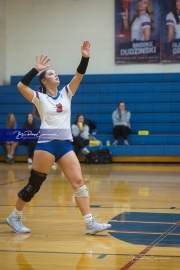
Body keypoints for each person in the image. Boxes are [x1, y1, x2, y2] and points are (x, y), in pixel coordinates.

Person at [6, 41, 111, 235]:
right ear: (44, 81)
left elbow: (79, 75)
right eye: (51, 73)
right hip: (46, 145)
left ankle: (89, 223)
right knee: (34, 185)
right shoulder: (39, 97)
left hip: (64, 145)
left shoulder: (66, 93)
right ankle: (14, 216)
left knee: (78, 182)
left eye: (55, 73)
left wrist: (85, 57)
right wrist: (35, 69)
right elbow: (21, 85)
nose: (56, 75)